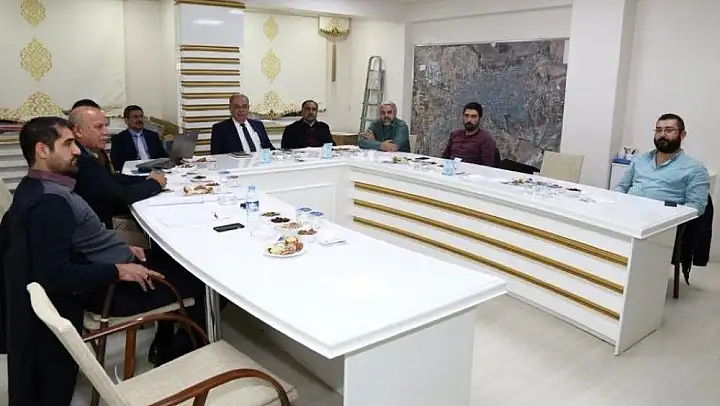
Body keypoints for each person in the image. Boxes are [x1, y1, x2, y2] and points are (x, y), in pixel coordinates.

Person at [1, 117, 208, 405]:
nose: (76, 150)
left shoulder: (36, 187)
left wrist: (118, 247)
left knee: (178, 259)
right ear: (42, 150)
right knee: (205, 277)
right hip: (110, 289)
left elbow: (71, 244)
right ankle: (182, 354)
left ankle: (166, 343)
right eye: (68, 144)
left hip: (112, 264)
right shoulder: (51, 202)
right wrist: (117, 270)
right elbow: (55, 274)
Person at [68, 106, 165, 241]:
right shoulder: (82, 160)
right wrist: (154, 183)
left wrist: (146, 179)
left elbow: (111, 179)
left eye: (106, 126)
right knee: (156, 237)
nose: (106, 132)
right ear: (78, 131)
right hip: (94, 234)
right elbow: (121, 196)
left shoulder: (89, 153)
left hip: (99, 222)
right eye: (99, 127)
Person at [614, 113, 709, 215]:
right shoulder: (640, 159)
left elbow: (696, 206)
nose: (662, 135)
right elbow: (621, 187)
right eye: (658, 130)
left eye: (669, 130)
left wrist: (668, 217)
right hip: (626, 213)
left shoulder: (695, 169)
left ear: (682, 135)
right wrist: (616, 203)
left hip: (661, 220)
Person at [210, 94, 275, 154]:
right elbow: (216, 155)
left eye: (244, 106)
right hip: (237, 162)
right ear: (230, 109)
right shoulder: (220, 128)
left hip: (262, 161)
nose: (241, 110)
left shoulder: (258, 125)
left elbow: (269, 148)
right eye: (237, 107)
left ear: (248, 108)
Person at [110, 104, 168, 171]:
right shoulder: (119, 139)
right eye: (135, 117)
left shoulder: (153, 136)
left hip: (154, 170)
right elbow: (117, 164)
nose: (139, 119)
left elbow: (164, 157)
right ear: (126, 120)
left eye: (141, 116)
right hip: (133, 171)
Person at [441, 102, 497, 166]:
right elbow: (444, 159)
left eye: (473, 116)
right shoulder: (455, 135)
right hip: (451, 169)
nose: (469, 120)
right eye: (466, 116)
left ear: (479, 118)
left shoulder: (486, 139)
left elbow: (487, 167)